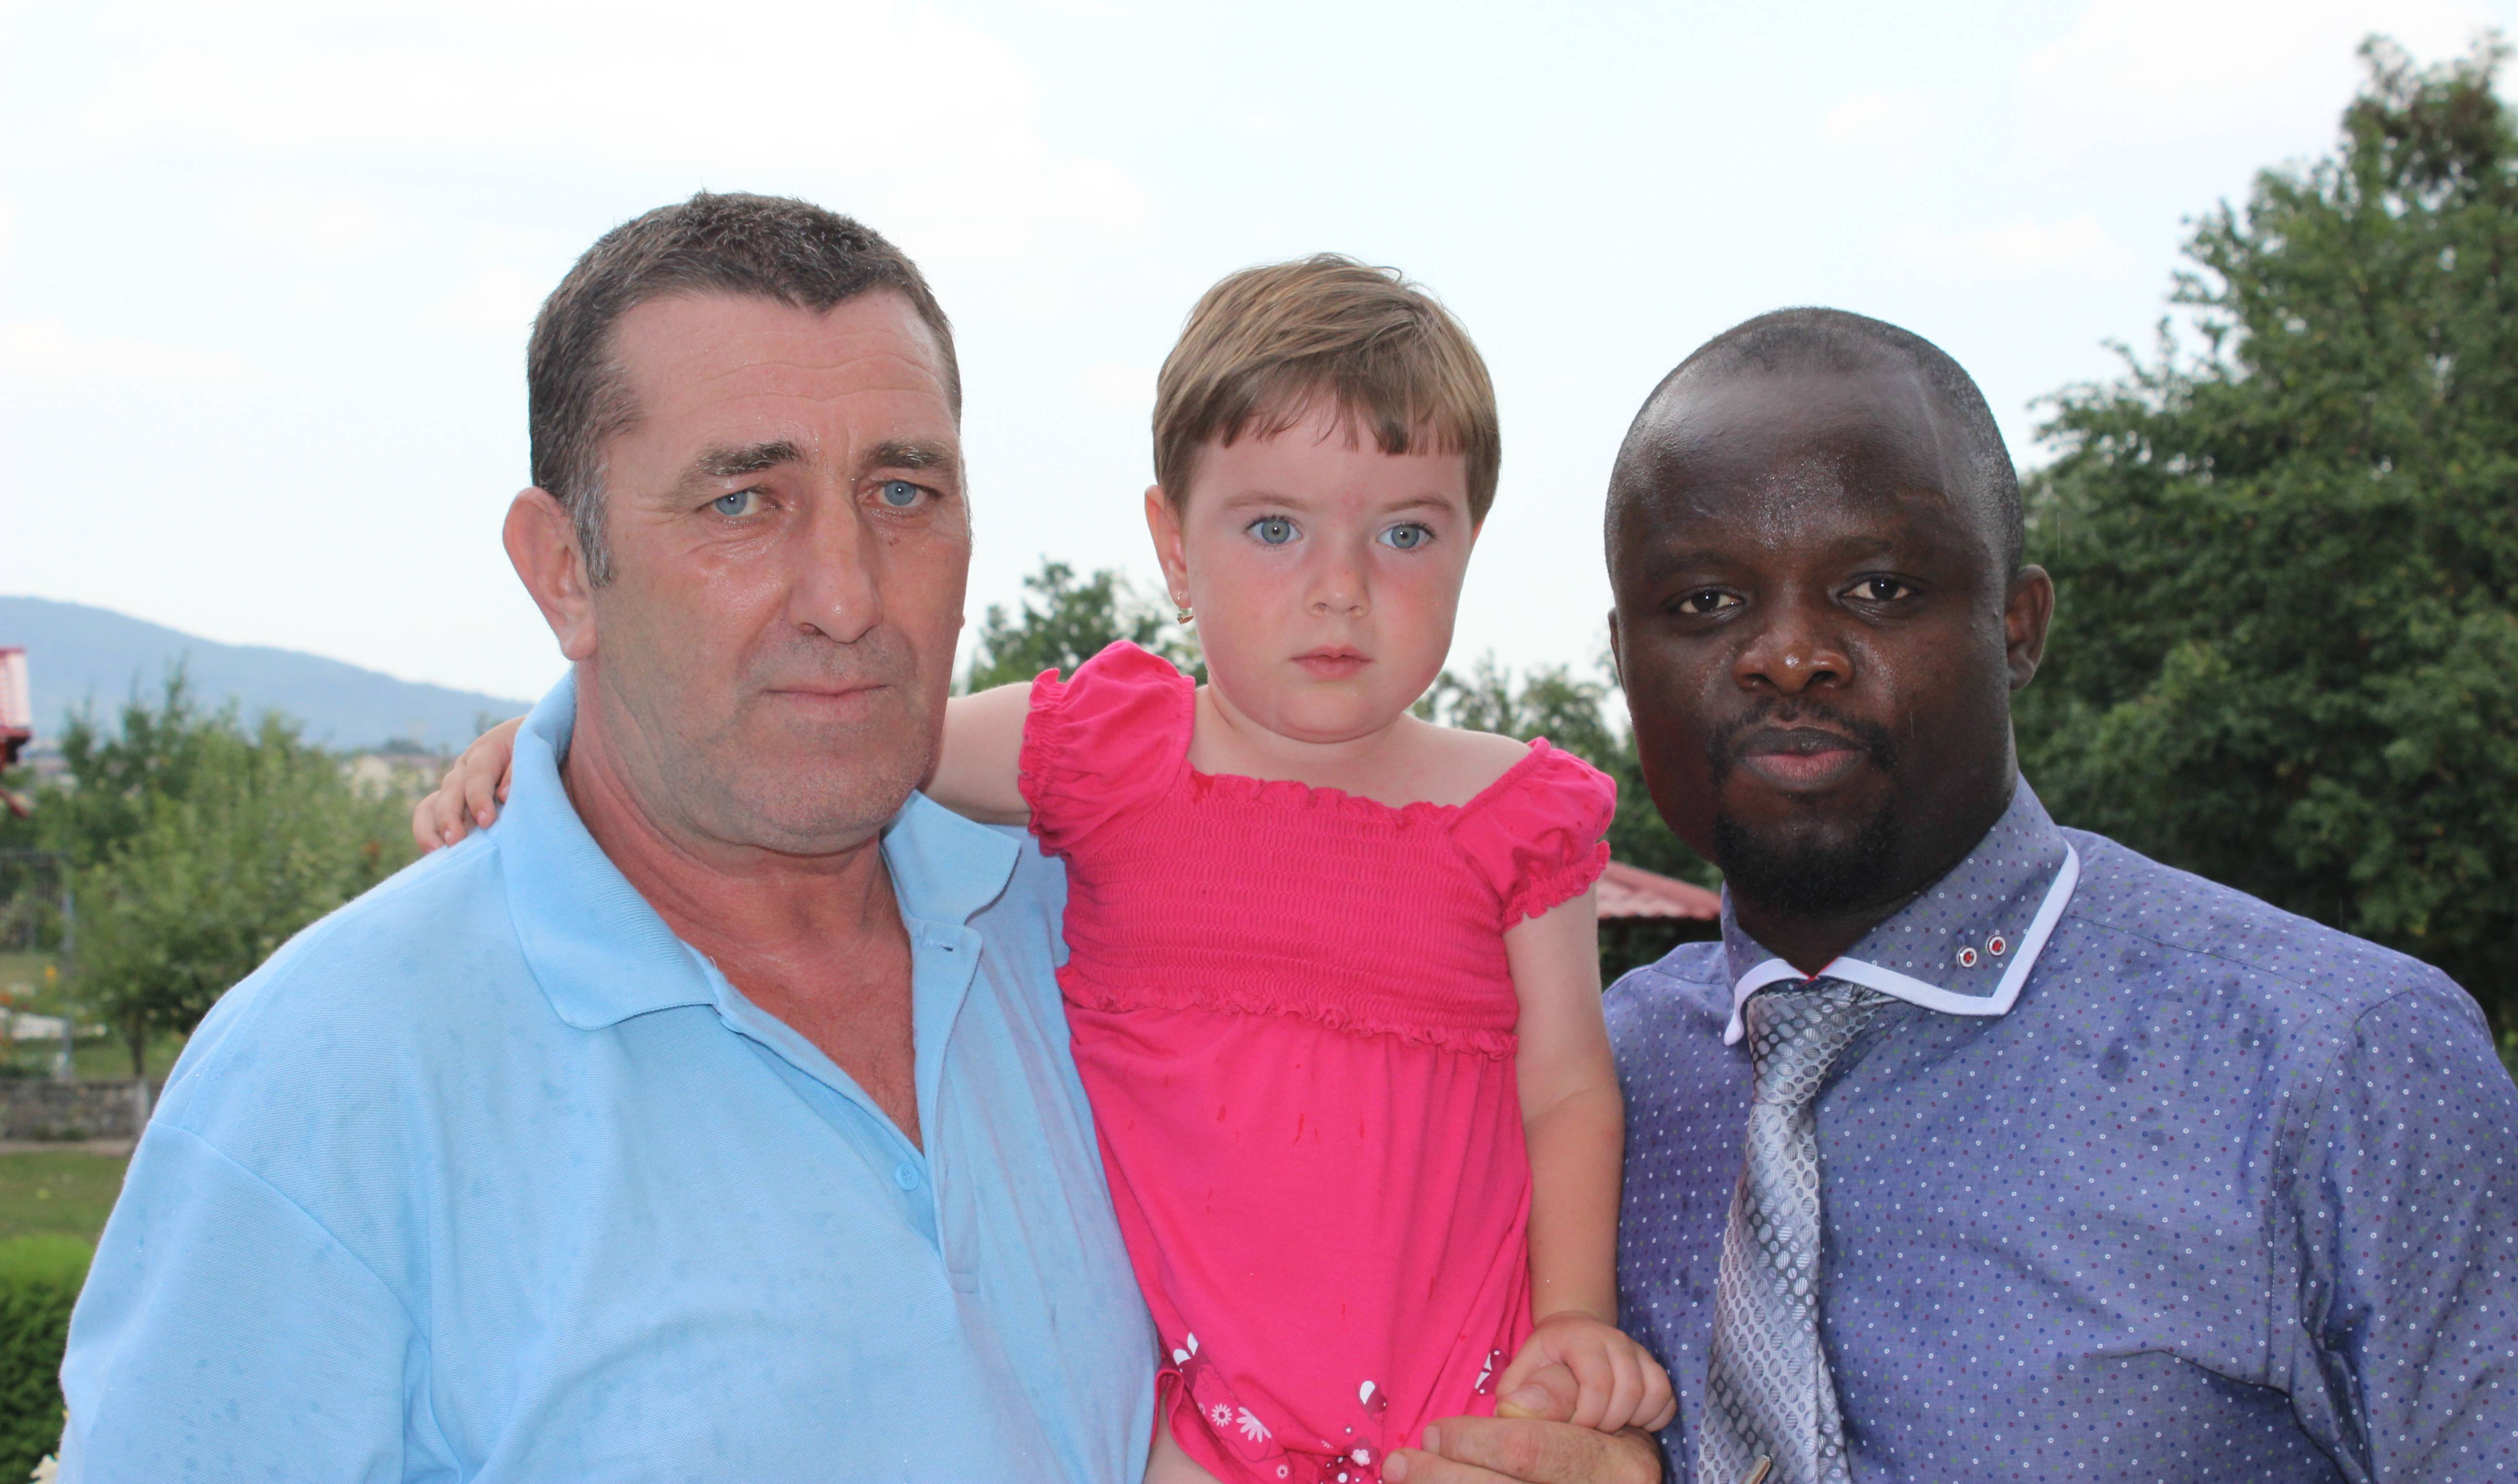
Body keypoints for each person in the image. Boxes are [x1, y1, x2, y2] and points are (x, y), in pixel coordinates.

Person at [417, 254, 1676, 1484]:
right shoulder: (1104, 749)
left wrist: (1575, 1319)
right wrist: (569, 732)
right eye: (1274, 528)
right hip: (1183, 1422)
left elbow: (1568, 1088)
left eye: (1405, 532)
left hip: (1458, 1408)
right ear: (1173, 547)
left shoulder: (1519, 815)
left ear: (1471, 543)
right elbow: (833, 732)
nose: (1339, 589)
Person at [56, 193, 1161, 1480]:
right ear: (564, 570)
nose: (849, 595)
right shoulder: (327, 1083)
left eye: (903, 491)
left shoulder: (1111, 934)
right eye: (743, 504)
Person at [1597, 307, 2518, 1483]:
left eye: (1877, 587)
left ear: (2018, 626)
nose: (1788, 654)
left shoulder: (2341, 1064)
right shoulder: (1578, 1089)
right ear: (1623, 657)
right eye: (1705, 604)